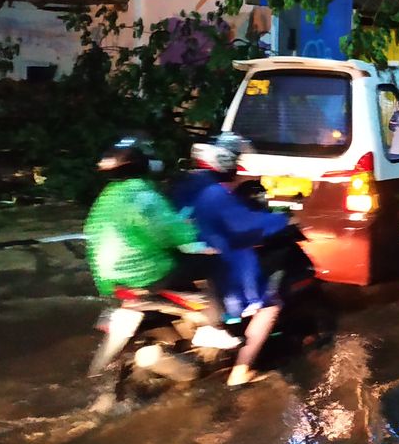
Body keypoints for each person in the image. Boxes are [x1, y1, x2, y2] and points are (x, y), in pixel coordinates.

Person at [84, 136, 240, 351]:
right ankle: (212, 326)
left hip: (108, 279)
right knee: (211, 262)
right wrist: (196, 239)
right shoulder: (145, 196)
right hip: (145, 273)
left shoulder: (106, 198)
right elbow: (174, 233)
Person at [171, 133, 292, 386]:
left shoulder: (186, 184)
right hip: (218, 261)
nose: (237, 166)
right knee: (270, 304)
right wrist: (283, 219)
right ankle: (241, 370)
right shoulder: (215, 194)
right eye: (235, 160)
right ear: (223, 160)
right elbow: (244, 224)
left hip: (183, 259)